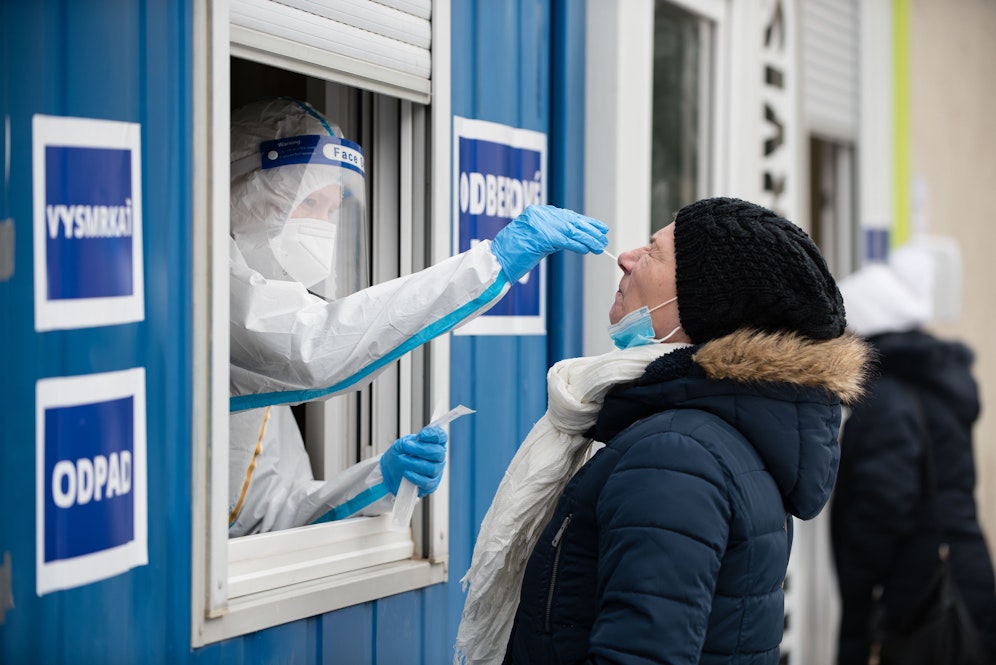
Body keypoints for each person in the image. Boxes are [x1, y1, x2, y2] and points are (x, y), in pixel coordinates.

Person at [455, 197, 872, 664]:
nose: (627, 258)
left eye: (653, 253)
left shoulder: (677, 457)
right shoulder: (707, 439)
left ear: (702, 308)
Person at [227, 97, 609, 536]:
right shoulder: (208, 283)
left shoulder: (260, 370)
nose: (324, 228)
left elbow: (261, 515)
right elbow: (314, 348)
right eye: (309, 202)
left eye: (332, 210)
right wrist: (491, 263)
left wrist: (380, 480)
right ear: (241, 188)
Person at [830, 246, 996, 664]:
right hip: (961, 575)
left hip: (921, 596)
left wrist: (859, 586)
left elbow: (883, 508)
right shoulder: (933, 389)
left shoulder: (887, 403)